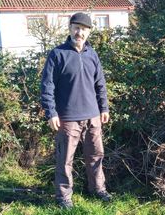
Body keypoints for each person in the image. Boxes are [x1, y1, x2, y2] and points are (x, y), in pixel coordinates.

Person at [40, 12, 112, 209]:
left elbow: (100, 84)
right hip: (68, 118)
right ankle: (64, 198)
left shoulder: (92, 54)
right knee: (65, 160)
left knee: (96, 156)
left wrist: (103, 107)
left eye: (84, 29)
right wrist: (51, 112)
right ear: (70, 28)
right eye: (76, 27)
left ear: (89, 32)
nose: (79, 32)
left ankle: (98, 189)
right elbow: (47, 86)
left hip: (93, 116)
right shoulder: (57, 54)